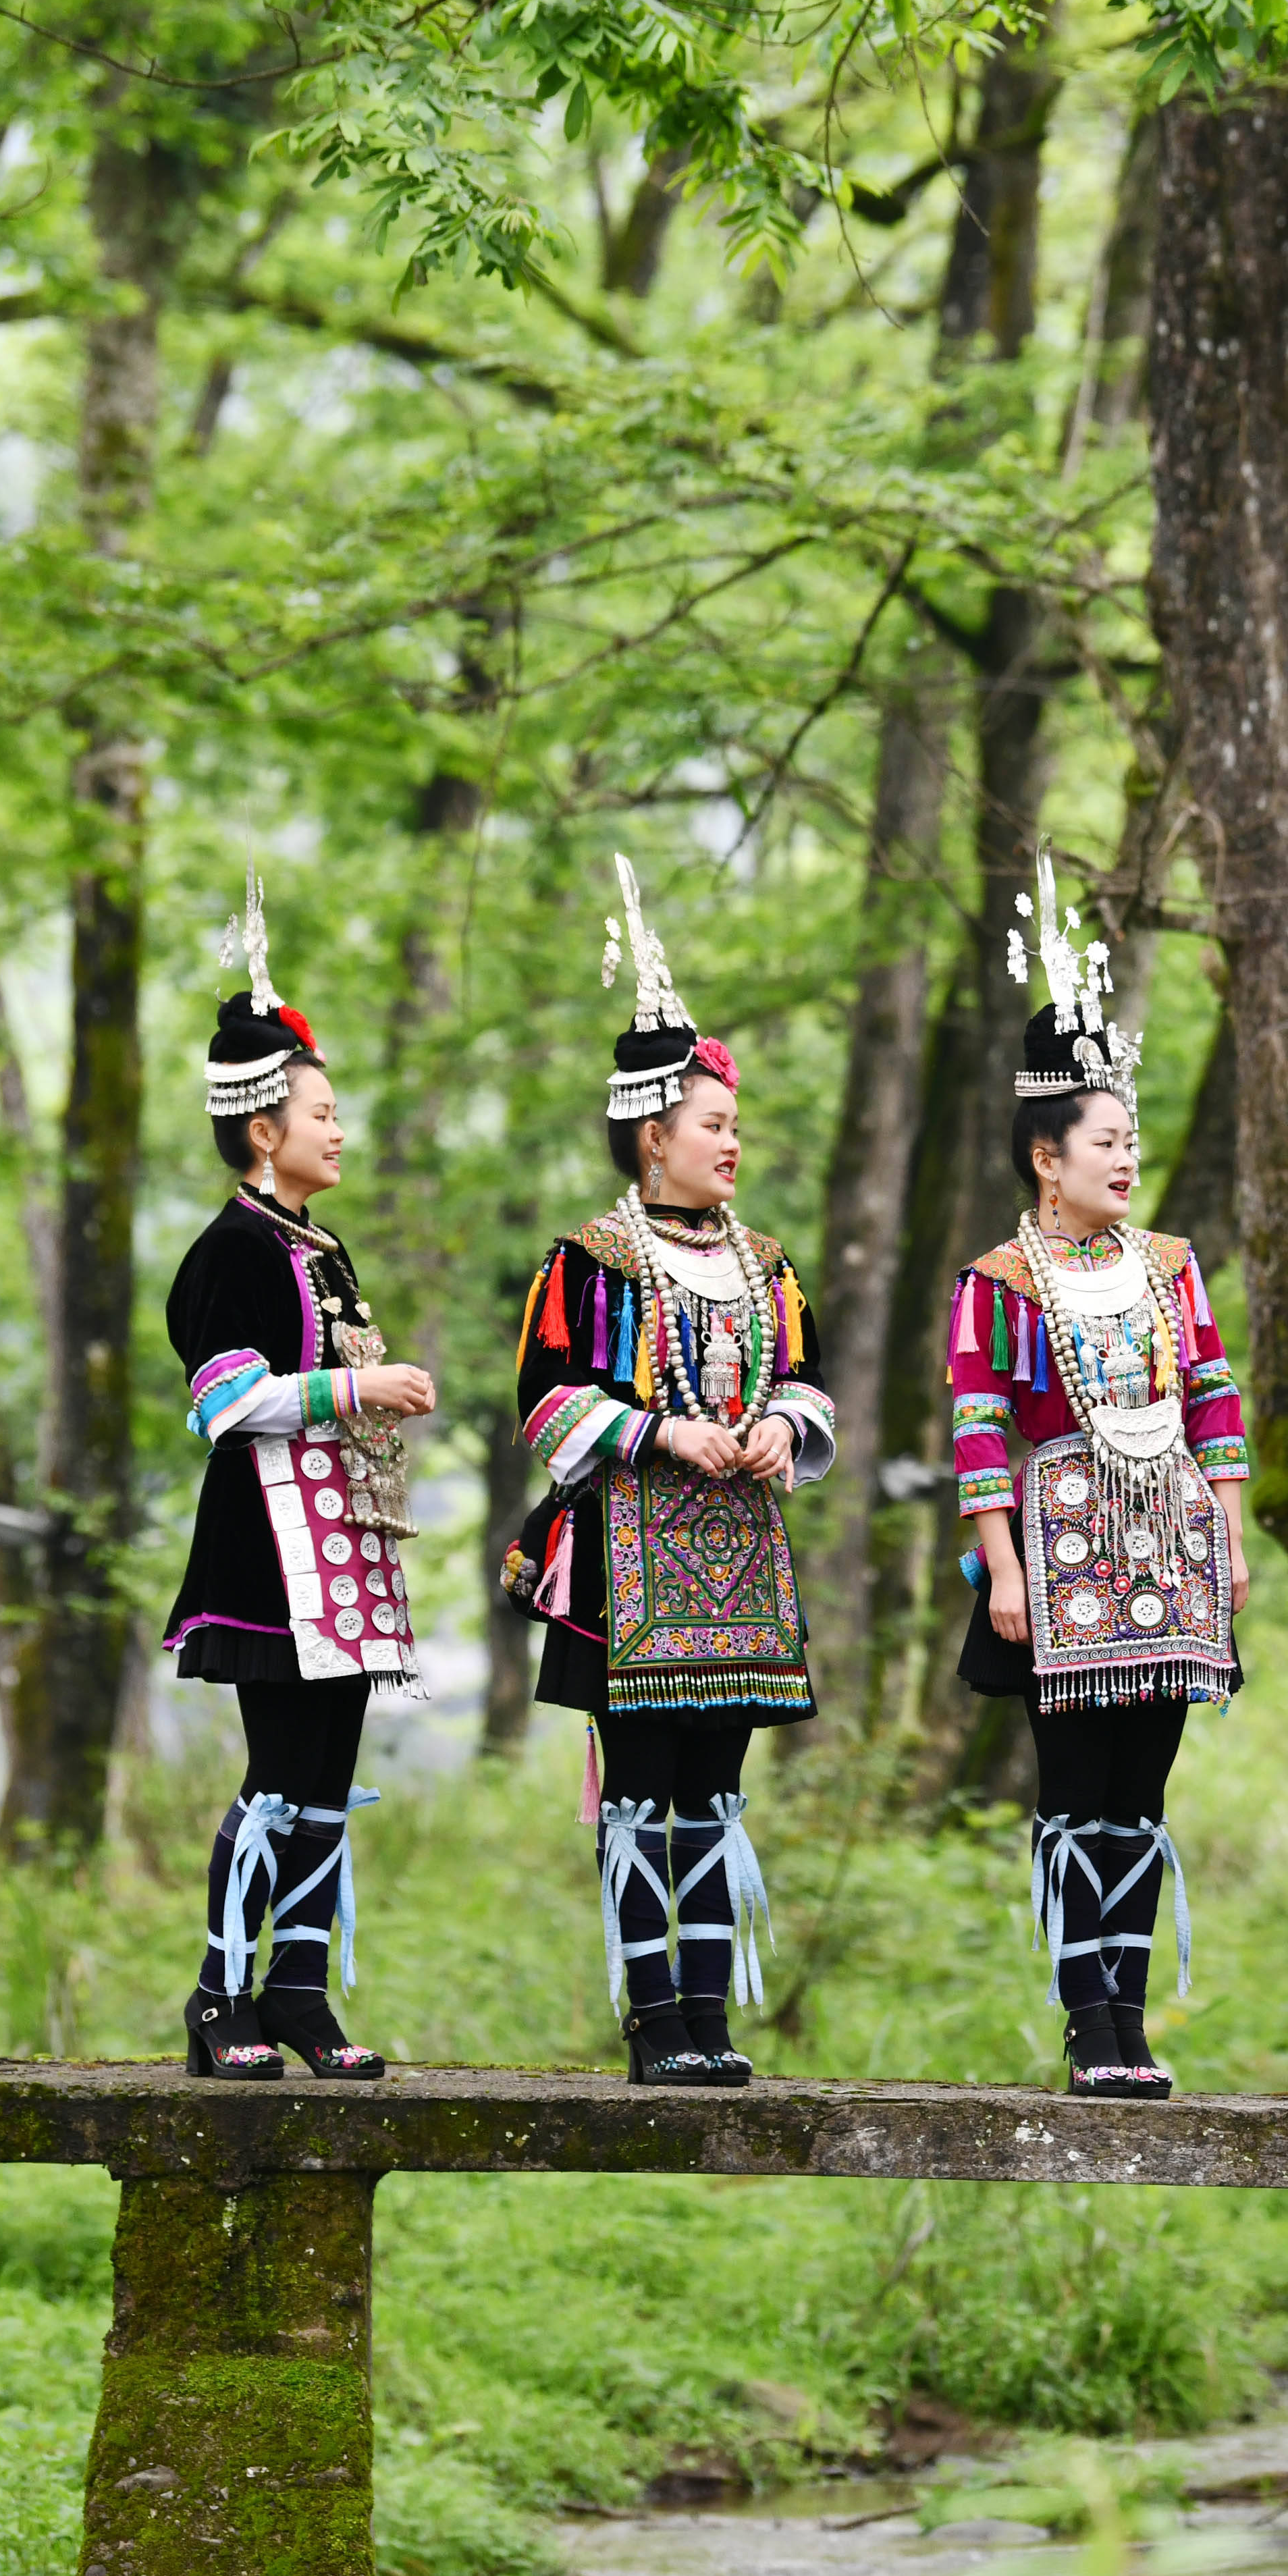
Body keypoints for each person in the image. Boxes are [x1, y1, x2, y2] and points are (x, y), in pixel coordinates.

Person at [502, 859, 832, 2089]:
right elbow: (544, 1401)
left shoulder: (770, 1263)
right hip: (627, 1566)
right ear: (655, 1137)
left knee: (717, 1789)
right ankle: (654, 2022)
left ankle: (709, 2009)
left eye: (736, 1129)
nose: (733, 1145)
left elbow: (812, 1379)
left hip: (738, 1566)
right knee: (640, 1790)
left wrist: (782, 1430)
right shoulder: (587, 1262)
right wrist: (663, 1434)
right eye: (713, 1127)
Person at [949, 867, 1252, 2099]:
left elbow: (1218, 1401)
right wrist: (1006, 1565)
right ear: (1045, 1155)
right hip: (1061, 1553)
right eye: (1106, 1140)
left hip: (1169, 1545)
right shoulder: (997, 1281)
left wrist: (1229, 1536)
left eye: (1133, 1138)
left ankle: (1134, 2016)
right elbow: (977, 1425)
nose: (1127, 1158)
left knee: (1145, 1785)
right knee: (1076, 1792)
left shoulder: (1172, 1267)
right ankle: (1090, 2021)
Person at [161, 877, 439, 2081]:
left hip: (340, 1549)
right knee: (280, 1779)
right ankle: (221, 1999)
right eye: (321, 1113)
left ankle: (301, 1995)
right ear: (263, 1130)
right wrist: (353, 1392)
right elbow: (229, 1404)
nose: (341, 1130)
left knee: (327, 1782)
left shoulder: (321, 1248)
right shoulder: (229, 1251)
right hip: (268, 1556)